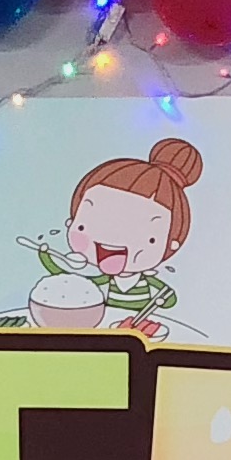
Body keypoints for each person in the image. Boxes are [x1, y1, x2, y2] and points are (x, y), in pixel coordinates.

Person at [20, 135, 206, 334]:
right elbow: (65, 275)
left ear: (172, 244)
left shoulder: (148, 282)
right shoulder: (95, 286)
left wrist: (164, 298)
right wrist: (45, 255)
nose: (112, 238)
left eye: (141, 233)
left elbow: (169, 299)